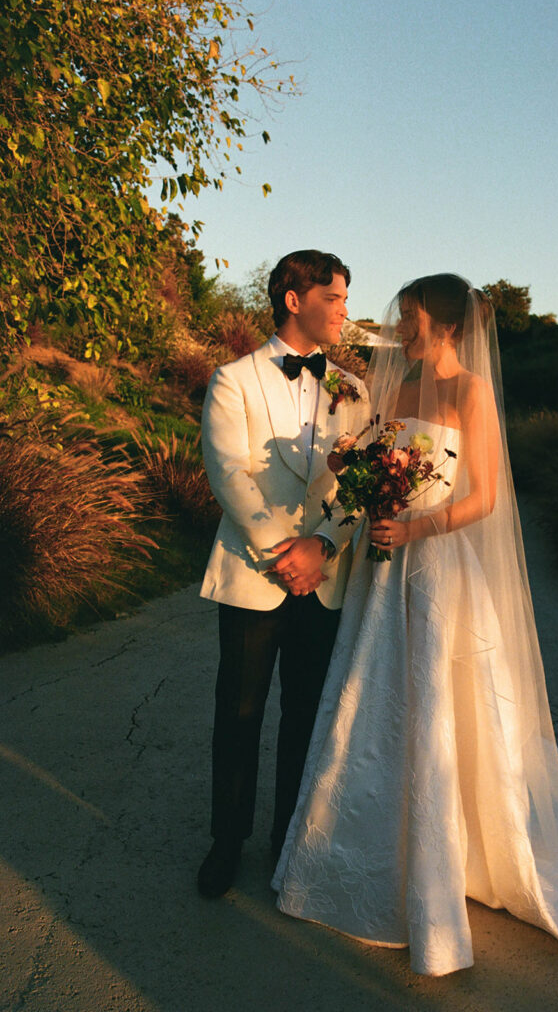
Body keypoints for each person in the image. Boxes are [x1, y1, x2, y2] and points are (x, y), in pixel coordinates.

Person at [272, 273, 558, 976]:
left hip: (436, 564)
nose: (401, 326)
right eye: (400, 314)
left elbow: (486, 496)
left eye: (412, 316)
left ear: (448, 327)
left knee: (436, 704)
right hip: (382, 568)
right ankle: (362, 842)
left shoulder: (473, 392)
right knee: (371, 706)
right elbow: (369, 468)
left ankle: (450, 848)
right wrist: (362, 485)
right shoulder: (393, 392)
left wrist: (418, 526)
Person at [197, 250, 369, 898]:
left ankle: (286, 841)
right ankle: (226, 841)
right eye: (335, 298)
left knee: (306, 714)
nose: (344, 311)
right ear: (294, 299)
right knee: (237, 713)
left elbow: (359, 481)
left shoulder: (353, 389)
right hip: (252, 572)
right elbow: (228, 471)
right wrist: (283, 550)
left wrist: (322, 544)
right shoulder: (233, 378)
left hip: (323, 578)